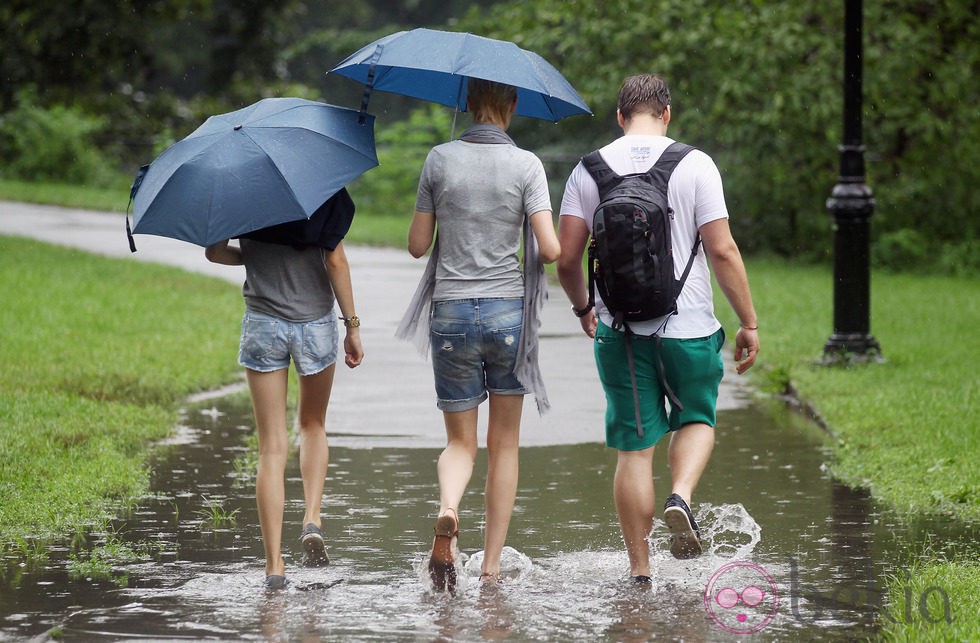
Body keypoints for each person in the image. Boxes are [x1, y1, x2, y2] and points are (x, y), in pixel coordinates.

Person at [556, 74, 759, 583]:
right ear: (666, 113)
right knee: (695, 416)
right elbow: (722, 249)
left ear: (619, 117)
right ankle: (681, 496)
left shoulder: (588, 169)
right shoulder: (696, 164)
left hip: (620, 330)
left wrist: (585, 308)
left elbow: (565, 259)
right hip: (689, 326)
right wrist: (749, 322)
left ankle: (640, 570)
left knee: (634, 447)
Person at [397, 78, 561, 591]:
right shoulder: (527, 165)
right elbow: (551, 249)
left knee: (460, 443)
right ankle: (489, 566)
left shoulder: (438, 160)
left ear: (467, 104)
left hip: (449, 314)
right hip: (507, 314)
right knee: (504, 444)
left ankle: (449, 508)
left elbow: (418, 246)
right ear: (512, 106)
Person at [205, 191, 364, 590]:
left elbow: (214, 252)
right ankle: (312, 516)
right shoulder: (325, 190)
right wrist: (353, 326)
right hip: (314, 325)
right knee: (312, 424)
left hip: (263, 324)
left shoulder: (241, 194)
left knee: (271, 446)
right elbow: (335, 259)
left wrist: (252, 257)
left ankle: (274, 565)